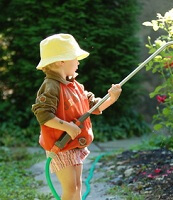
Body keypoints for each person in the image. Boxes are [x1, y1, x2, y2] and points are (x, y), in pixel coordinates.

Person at [32, 33, 122, 200]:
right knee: (70, 188)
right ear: (61, 61)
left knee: (78, 186)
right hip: (60, 146)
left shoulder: (75, 86)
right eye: (75, 58)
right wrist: (67, 126)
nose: (78, 62)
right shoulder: (51, 86)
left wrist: (112, 98)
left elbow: (93, 106)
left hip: (73, 145)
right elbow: (43, 115)